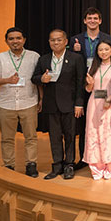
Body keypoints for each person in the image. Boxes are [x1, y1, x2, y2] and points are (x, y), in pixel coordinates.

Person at [32, 29, 86, 180]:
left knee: (70, 136)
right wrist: (41, 79)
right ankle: (57, 166)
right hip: (51, 105)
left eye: (59, 40)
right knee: (54, 137)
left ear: (66, 41)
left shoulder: (76, 58)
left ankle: (69, 165)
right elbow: (34, 78)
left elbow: (80, 81)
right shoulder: (43, 59)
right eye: (52, 40)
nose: (56, 43)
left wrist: (79, 103)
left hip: (69, 104)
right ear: (49, 42)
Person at [0, 27, 41, 177]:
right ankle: (9, 165)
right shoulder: (0, 58)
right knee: (7, 138)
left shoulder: (34, 56)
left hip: (28, 102)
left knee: (31, 137)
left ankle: (31, 164)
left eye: (18, 38)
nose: (15, 41)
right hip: (6, 104)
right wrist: (8, 80)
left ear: (24, 40)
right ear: (6, 41)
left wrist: (41, 99)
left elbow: (37, 80)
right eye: (11, 39)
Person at [71, 7, 111, 170]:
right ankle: (86, 158)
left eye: (95, 18)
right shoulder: (76, 40)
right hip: (84, 84)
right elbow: (72, 63)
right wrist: (76, 52)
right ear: (84, 21)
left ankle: (107, 158)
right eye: (89, 18)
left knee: (106, 125)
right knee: (85, 125)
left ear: (100, 21)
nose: (92, 20)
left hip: (102, 85)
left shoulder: (108, 38)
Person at [83, 39, 111, 180]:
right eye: (100, 50)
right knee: (94, 133)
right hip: (94, 104)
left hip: (110, 104)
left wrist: (109, 99)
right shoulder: (92, 68)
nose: (103, 52)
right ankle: (96, 167)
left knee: (110, 134)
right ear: (97, 53)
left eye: (106, 49)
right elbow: (88, 90)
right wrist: (90, 84)